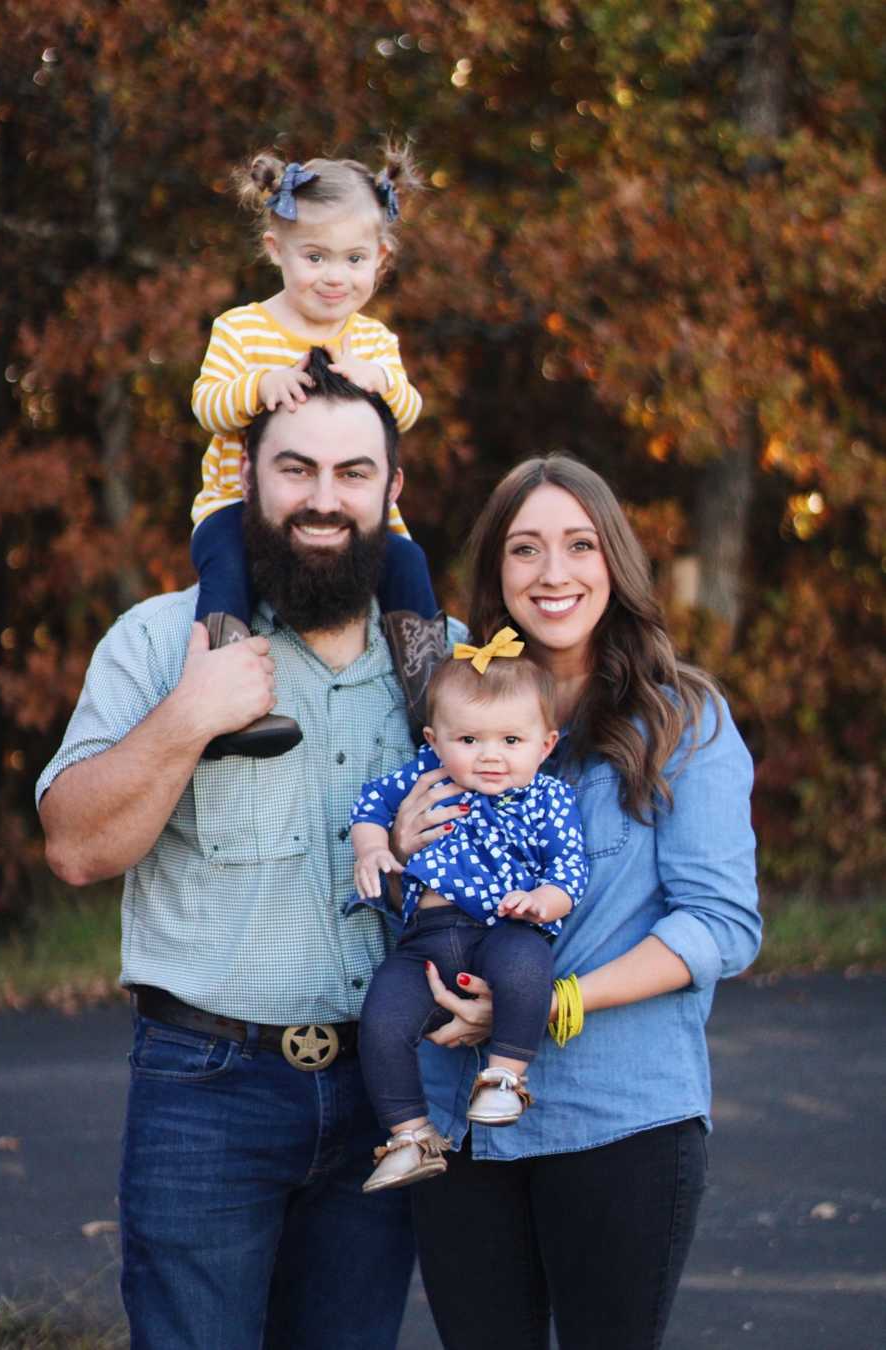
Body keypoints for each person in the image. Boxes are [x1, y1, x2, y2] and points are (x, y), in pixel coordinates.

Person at [36, 352, 430, 1350]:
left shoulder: (445, 670)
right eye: (295, 469)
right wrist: (186, 718)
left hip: (386, 1092)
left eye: (351, 475)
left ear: (393, 491)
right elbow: (77, 847)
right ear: (247, 479)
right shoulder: (161, 640)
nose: (322, 500)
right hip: (206, 1089)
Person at [386, 454, 762, 1350]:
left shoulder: (685, 721)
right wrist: (397, 850)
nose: (553, 574)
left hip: (618, 1118)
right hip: (459, 1126)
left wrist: (552, 1003)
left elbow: (720, 924)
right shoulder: (448, 716)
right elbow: (415, 911)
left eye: (578, 545)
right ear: (497, 573)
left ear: (614, 561)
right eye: (525, 549)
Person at [190, 141, 436, 758]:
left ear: (381, 259)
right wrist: (255, 388)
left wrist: (385, 385)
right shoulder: (242, 328)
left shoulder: (375, 341)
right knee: (226, 572)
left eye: (354, 258)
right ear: (278, 251)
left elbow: (409, 413)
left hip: (353, 518)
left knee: (410, 565)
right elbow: (205, 404)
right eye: (315, 256)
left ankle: (432, 698)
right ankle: (228, 704)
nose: (334, 276)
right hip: (238, 509)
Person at [350, 640, 588, 1193]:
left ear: (546, 744)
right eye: (468, 739)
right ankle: (411, 1135)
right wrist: (373, 850)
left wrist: (541, 902)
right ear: (434, 742)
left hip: (503, 928)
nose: (489, 755)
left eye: (511, 740)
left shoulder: (548, 798)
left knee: (527, 969)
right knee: (382, 1022)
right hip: (424, 941)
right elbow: (368, 806)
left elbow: (568, 874)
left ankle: (505, 1075)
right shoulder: (425, 778)